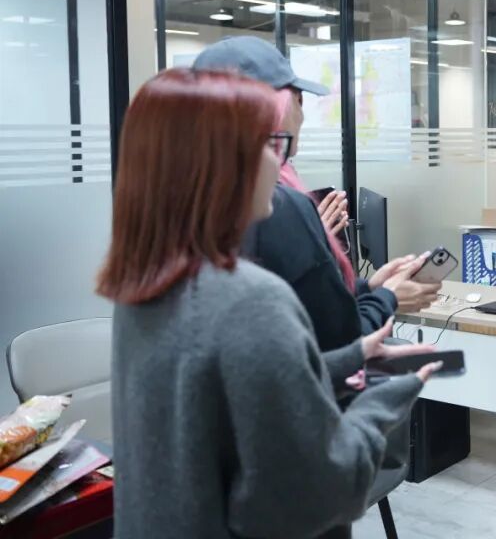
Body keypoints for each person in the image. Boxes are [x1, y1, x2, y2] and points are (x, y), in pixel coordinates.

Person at [100, 68, 441, 539]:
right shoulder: (250, 298)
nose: (278, 162)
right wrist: (388, 394)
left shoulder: (143, 283)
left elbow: (233, 388)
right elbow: (322, 493)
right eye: (267, 144)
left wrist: (350, 358)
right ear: (218, 166)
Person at [192, 36, 440, 351]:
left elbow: (295, 306)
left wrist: (367, 288)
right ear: (278, 108)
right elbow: (340, 339)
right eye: (298, 100)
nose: (303, 115)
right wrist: (387, 298)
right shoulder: (276, 205)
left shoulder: (187, 198)